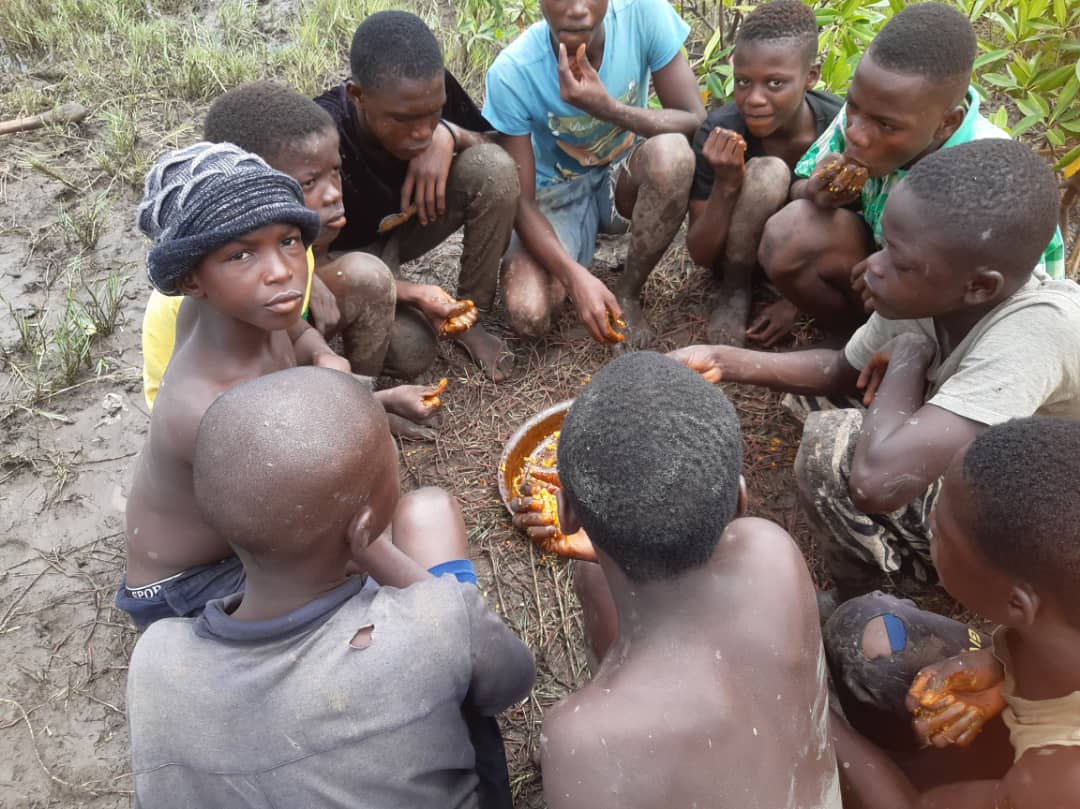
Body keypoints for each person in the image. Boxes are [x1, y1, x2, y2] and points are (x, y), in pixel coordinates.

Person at [669, 138, 1080, 604]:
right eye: (885, 246)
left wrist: (907, 356)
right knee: (812, 397)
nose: (873, 268)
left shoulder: (1037, 331)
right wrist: (722, 360)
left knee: (832, 451)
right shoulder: (933, 287)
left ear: (980, 287)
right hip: (982, 447)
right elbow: (841, 369)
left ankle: (868, 592)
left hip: (1039, 523)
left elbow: (876, 483)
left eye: (898, 262)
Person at [126, 366, 536, 809]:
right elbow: (513, 682)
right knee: (431, 515)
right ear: (364, 528)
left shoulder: (154, 657)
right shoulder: (435, 623)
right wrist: (383, 558)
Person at [118, 142, 439, 629]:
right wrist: (433, 602)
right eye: (241, 254)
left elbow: (296, 331)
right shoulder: (210, 409)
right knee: (362, 584)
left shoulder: (241, 310)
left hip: (248, 515)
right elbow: (321, 527)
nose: (281, 270)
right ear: (191, 280)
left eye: (288, 241)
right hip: (189, 585)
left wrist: (323, 354)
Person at [516, 352, 840, 809]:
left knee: (595, 576)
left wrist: (618, 542)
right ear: (740, 499)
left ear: (566, 515)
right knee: (594, 575)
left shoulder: (582, 744)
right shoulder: (773, 552)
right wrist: (623, 546)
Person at [752, 2, 1066, 346]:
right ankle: (849, 344)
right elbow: (801, 187)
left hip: (958, 315)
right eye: (853, 106)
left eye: (886, 125)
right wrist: (814, 192)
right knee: (791, 230)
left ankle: (911, 357)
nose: (856, 133)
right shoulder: (870, 111)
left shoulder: (989, 180)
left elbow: (1019, 312)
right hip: (890, 276)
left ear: (948, 123)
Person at [824, 417, 1080, 808]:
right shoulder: (1059, 608)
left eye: (941, 532)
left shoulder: (1058, 780)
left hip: (1032, 788)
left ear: (1017, 603)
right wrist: (1001, 669)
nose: (929, 522)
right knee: (872, 633)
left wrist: (816, 717)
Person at [200, 80, 449, 438]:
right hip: (237, 428)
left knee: (413, 351)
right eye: (309, 182)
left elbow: (290, 334)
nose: (334, 193)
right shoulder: (219, 288)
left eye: (335, 171)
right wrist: (370, 404)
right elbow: (260, 411)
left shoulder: (288, 243)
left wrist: (324, 356)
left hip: (274, 386)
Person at [483, 0, 706, 346]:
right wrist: (574, 279)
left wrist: (608, 109)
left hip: (625, 177)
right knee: (528, 312)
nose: (577, 9)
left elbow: (695, 120)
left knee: (673, 155)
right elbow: (522, 203)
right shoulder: (513, 71)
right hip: (555, 192)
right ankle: (573, 258)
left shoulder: (642, 13)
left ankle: (628, 292)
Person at [315, 11, 519, 381]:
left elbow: (497, 146)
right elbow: (300, 261)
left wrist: (451, 134)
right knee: (412, 352)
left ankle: (467, 315)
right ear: (357, 96)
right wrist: (412, 292)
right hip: (342, 261)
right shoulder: (321, 136)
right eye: (404, 119)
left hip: (401, 230)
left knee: (494, 168)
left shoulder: (427, 91)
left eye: (433, 113)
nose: (423, 132)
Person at [686, 0, 842, 345]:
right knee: (768, 173)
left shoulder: (839, 128)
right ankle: (736, 290)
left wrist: (795, 303)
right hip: (736, 259)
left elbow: (855, 229)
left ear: (811, 76)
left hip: (803, 255)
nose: (754, 99)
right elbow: (700, 254)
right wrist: (727, 184)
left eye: (775, 83)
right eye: (743, 81)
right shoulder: (720, 131)